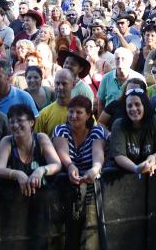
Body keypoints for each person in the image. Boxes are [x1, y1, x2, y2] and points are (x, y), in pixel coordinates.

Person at [53, 95, 106, 250]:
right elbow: (62, 151)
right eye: (70, 112)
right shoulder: (61, 129)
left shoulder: (96, 132)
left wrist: (95, 169)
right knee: (64, 235)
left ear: (88, 115)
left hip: (90, 191)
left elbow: (98, 155)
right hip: (63, 191)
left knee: (90, 233)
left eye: (78, 112)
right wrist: (70, 166)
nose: (73, 116)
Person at [0, 104, 62, 197]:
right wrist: (17, 174)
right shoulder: (7, 141)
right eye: (12, 122)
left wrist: (41, 170)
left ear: (31, 122)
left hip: (43, 197)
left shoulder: (41, 138)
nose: (15, 125)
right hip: (16, 199)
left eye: (19, 120)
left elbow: (57, 164)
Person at [110, 88, 156, 176]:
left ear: (144, 105)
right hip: (124, 176)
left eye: (137, 104)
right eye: (129, 106)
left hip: (152, 174)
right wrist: (137, 169)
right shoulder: (118, 125)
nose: (133, 109)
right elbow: (119, 156)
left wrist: (153, 158)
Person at [97, 47, 143, 113]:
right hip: (109, 118)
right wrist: (101, 121)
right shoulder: (106, 78)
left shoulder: (139, 78)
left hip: (131, 117)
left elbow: (143, 102)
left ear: (130, 61)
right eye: (117, 58)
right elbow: (101, 102)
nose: (119, 60)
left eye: (123, 58)